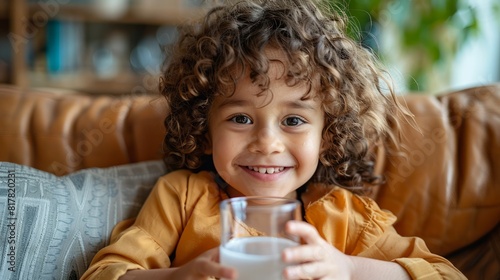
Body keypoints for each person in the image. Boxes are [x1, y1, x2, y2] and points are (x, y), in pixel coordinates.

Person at [82, 0, 466, 279]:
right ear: (204, 127)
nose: (267, 143)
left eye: (294, 120)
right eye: (241, 118)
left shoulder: (344, 219)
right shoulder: (183, 198)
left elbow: (444, 275)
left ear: (327, 134)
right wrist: (177, 277)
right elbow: (106, 273)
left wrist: (349, 268)